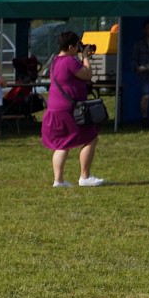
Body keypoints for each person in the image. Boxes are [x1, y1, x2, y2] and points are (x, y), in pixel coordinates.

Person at [42, 31, 103, 188]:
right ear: (71, 47)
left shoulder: (55, 61)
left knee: (61, 144)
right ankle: (85, 177)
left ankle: (59, 180)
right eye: (77, 46)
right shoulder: (70, 61)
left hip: (54, 109)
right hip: (69, 110)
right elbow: (87, 74)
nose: (78, 48)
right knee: (91, 137)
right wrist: (85, 57)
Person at [133, 20, 149, 126]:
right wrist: (137, 68)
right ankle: (144, 117)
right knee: (146, 95)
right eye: (148, 28)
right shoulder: (139, 44)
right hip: (145, 72)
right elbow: (133, 59)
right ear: (144, 30)